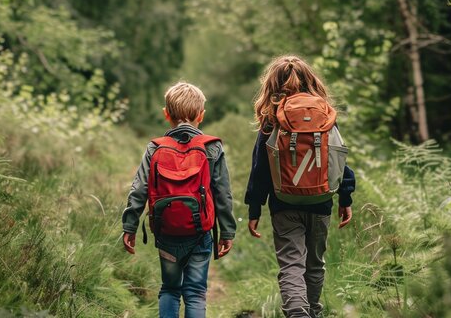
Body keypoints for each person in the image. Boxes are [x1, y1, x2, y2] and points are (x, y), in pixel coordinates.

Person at [245, 55, 356, 318]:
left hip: (284, 204)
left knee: (291, 264)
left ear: (271, 86)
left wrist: (254, 208)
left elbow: (260, 167)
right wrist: (346, 196)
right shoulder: (325, 116)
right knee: (315, 265)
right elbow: (337, 158)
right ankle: (313, 313)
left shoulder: (272, 118)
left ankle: (297, 313)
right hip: (320, 201)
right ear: (312, 81)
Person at [121, 82, 237, 318]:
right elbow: (223, 194)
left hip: (167, 232)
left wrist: (130, 226)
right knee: (195, 292)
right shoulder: (212, 147)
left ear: (166, 114)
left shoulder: (155, 148)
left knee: (170, 289)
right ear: (201, 116)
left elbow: (139, 189)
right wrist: (227, 231)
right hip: (200, 233)